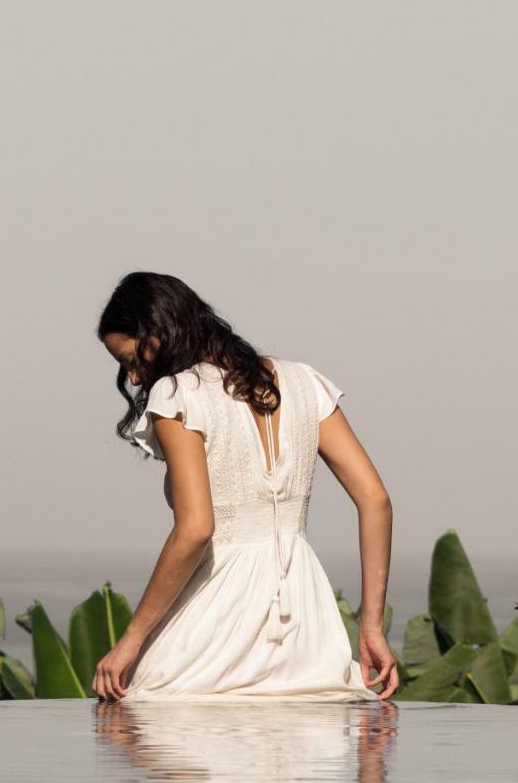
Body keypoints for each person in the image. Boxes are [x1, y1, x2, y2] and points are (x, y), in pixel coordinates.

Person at [93, 271, 398, 701]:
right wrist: (371, 629)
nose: (135, 379)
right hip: (305, 624)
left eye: (130, 359)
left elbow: (196, 529)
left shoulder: (178, 394)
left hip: (221, 613)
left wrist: (130, 639)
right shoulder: (304, 382)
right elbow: (376, 500)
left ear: (159, 334)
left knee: (146, 727)